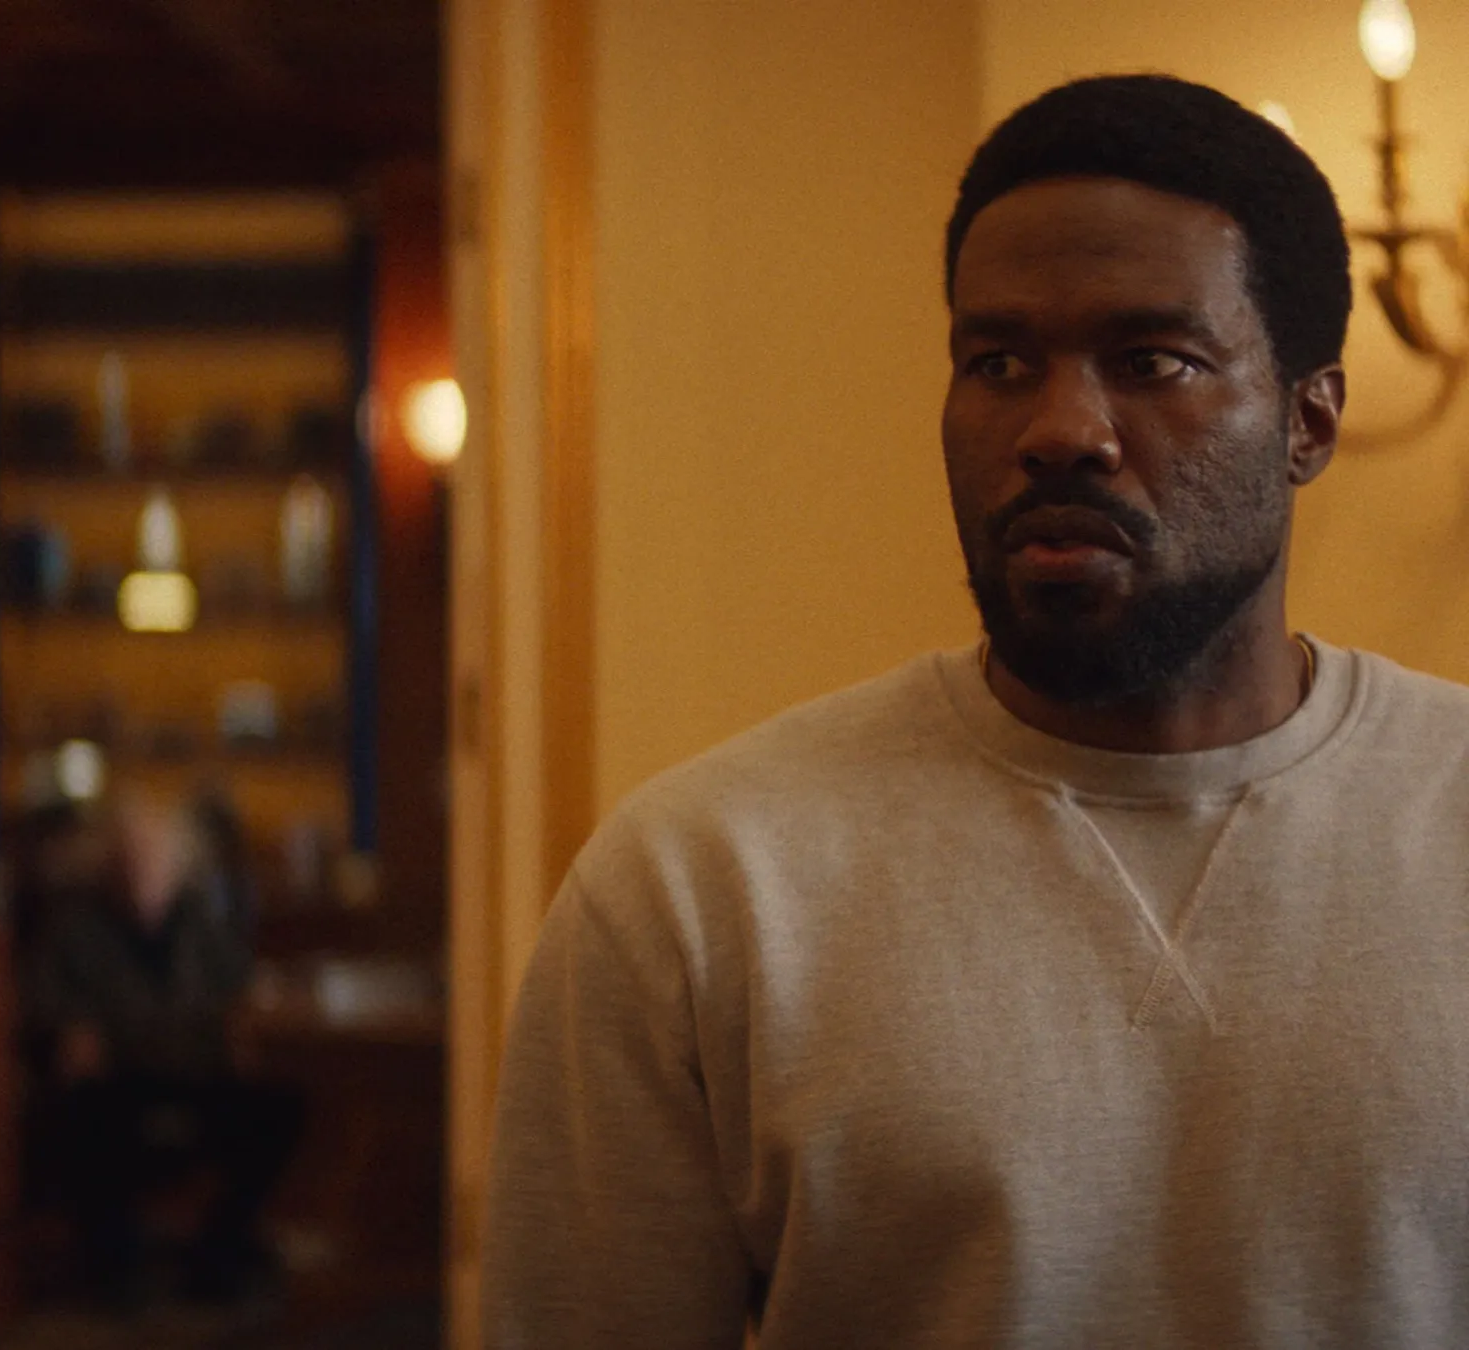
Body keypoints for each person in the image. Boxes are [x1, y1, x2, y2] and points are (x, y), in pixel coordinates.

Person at [482, 73, 1469, 1347]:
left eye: (1151, 361)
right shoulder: (703, 886)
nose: (1061, 430)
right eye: (998, 363)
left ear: (1309, 421)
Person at [21, 791, 300, 1304]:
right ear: (109, 866)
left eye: (153, 859)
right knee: (86, 1117)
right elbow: (52, 1011)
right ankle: (114, 1272)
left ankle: (216, 1253)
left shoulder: (198, 920)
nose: (141, 872)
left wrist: (236, 1031)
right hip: (118, 1082)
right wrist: (81, 1035)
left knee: (280, 1112)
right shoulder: (76, 925)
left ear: (177, 865)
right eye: (129, 860)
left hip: (198, 1074)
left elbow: (240, 988)